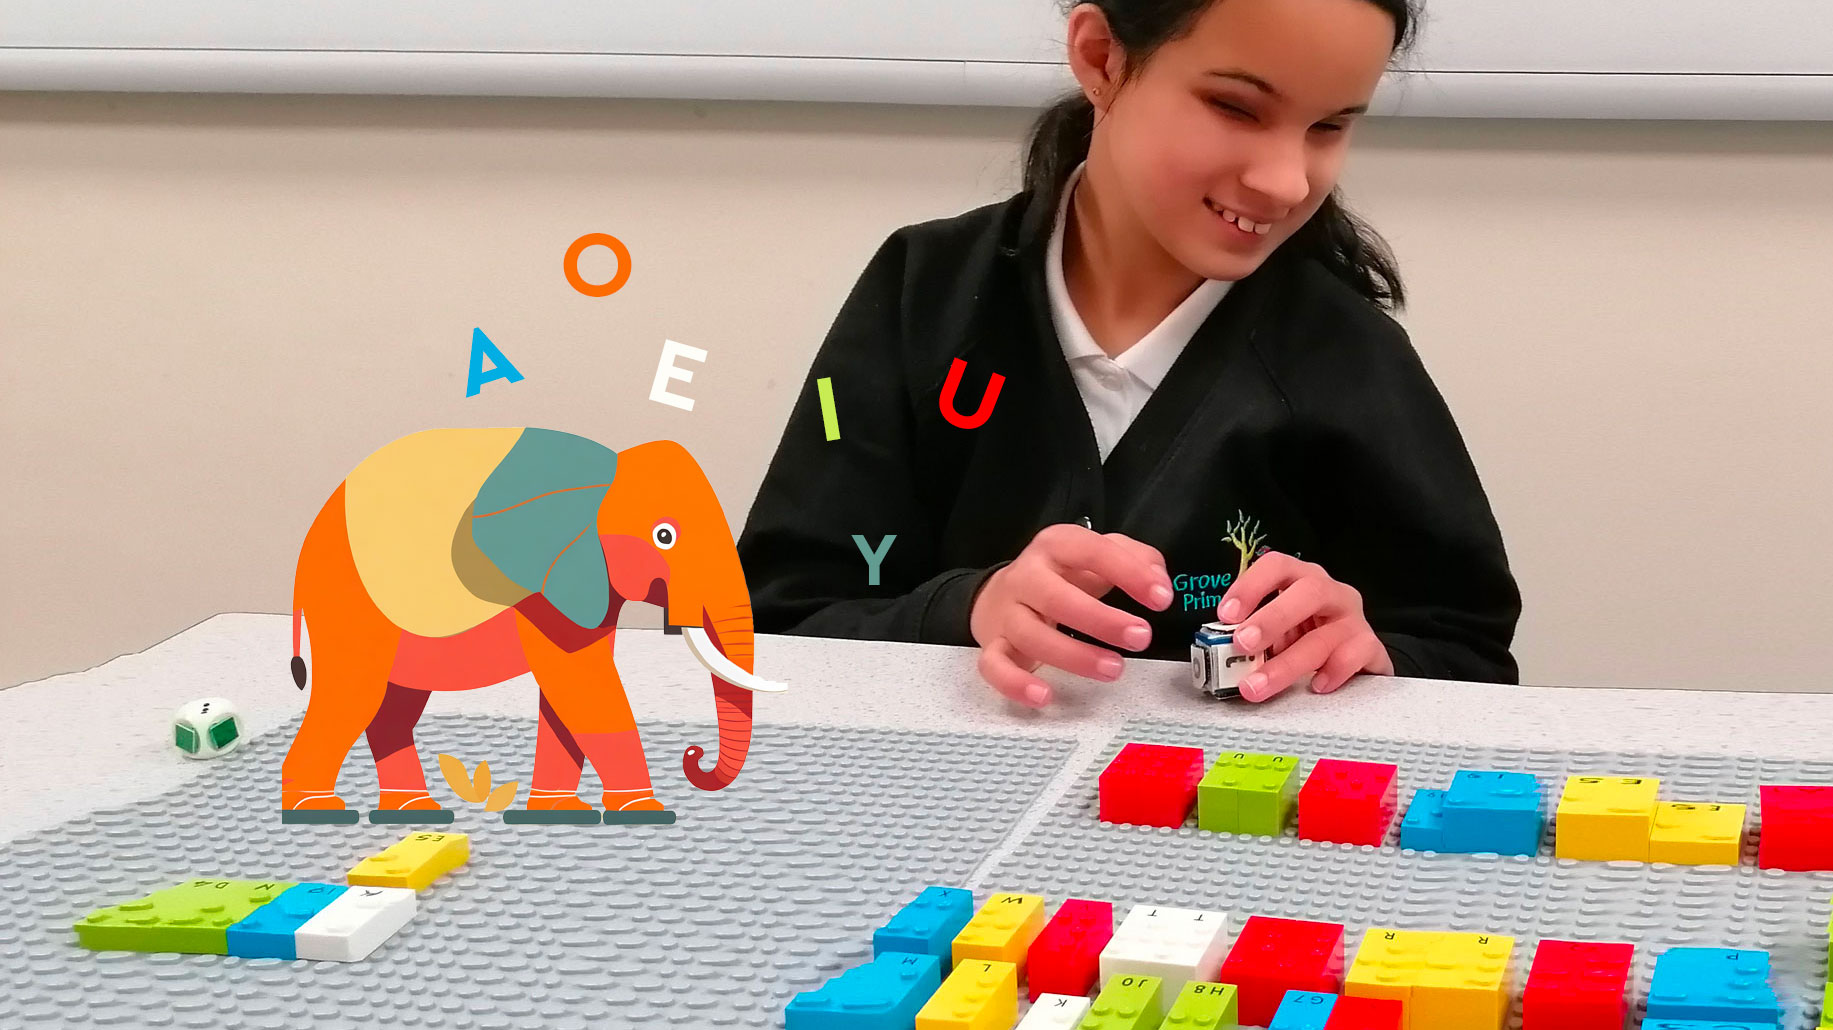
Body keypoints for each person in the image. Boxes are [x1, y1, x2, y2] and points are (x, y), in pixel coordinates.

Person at [735, 0, 1521, 707]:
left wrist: (1366, 648)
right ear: (1101, 57)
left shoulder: (1349, 355)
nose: (1284, 181)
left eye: (1329, 127)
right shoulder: (923, 295)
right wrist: (965, 609)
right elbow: (767, 619)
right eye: (1234, 107)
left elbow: (1467, 655)